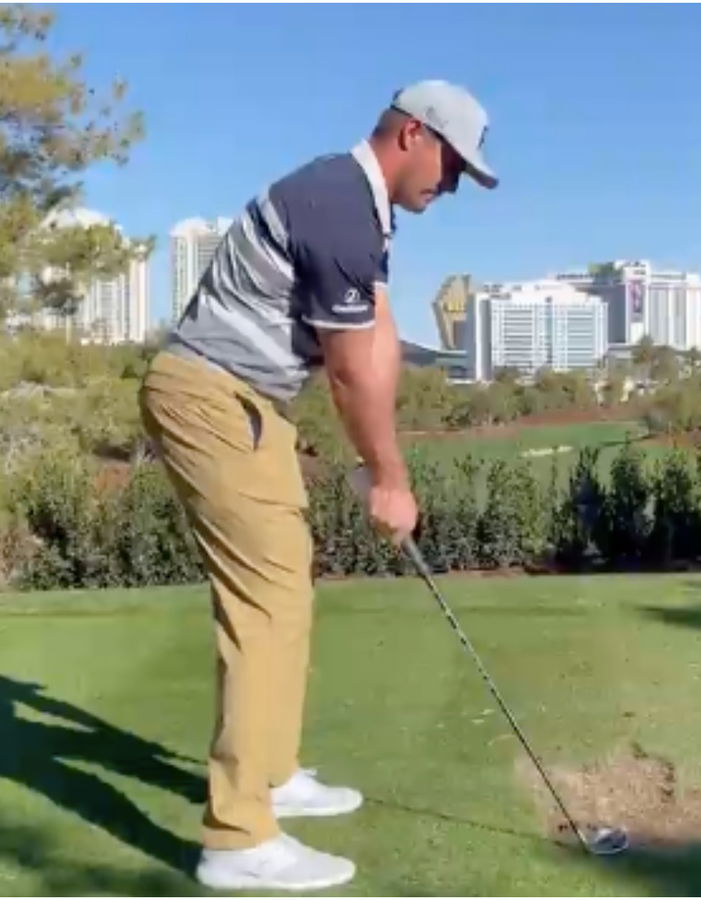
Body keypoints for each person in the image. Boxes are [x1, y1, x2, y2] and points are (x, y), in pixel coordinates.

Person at [138, 79, 498, 892]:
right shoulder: (337, 198)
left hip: (248, 400)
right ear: (412, 135)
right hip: (210, 393)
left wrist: (386, 457)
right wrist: (387, 476)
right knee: (263, 600)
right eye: (451, 166)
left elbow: (378, 338)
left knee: (286, 587)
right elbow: (345, 370)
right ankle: (237, 838)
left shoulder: (366, 214)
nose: (451, 186)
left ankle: (270, 770)